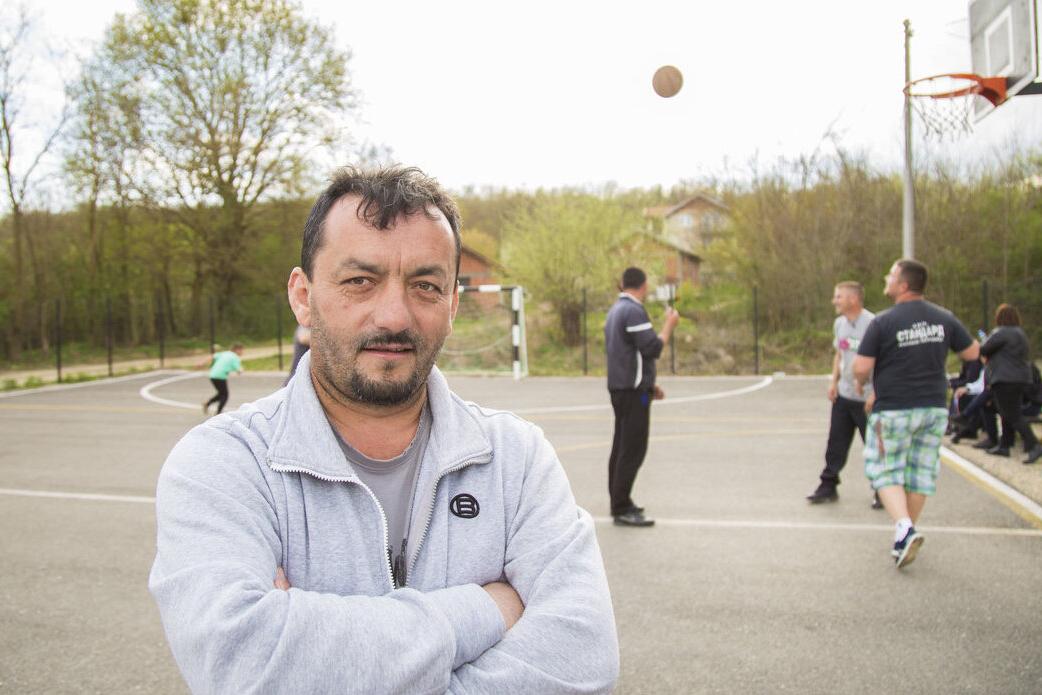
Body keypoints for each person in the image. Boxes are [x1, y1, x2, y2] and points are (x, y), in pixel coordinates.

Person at [150, 166, 619, 694]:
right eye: (360, 282)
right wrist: (487, 608)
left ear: (452, 305)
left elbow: (583, 661)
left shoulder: (517, 458)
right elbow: (242, 666)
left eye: (425, 286)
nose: (394, 316)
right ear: (302, 296)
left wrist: (307, 646)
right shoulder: (225, 463)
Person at [853, 259, 979, 569]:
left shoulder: (883, 322)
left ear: (903, 285)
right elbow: (972, 352)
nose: (886, 278)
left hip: (894, 408)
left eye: (891, 275)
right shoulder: (944, 318)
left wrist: (862, 381)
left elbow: (862, 367)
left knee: (885, 470)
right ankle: (904, 537)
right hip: (933, 407)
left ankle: (904, 528)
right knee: (920, 474)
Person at [604, 266, 680, 527]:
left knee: (621, 445)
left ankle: (619, 500)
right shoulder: (633, 310)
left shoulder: (616, 310)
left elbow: (629, 354)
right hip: (633, 392)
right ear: (643, 285)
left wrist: (650, 384)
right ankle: (621, 506)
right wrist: (669, 325)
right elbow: (652, 348)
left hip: (623, 388)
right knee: (633, 448)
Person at [806, 281, 880, 508]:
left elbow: (882, 361)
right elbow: (840, 354)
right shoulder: (840, 324)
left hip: (868, 398)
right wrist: (834, 382)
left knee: (874, 446)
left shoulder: (873, 324)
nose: (834, 301)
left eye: (839, 297)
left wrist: (876, 393)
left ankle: (881, 488)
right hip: (844, 395)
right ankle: (828, 485)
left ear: (853, 299)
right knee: (836, 442)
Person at [978, 303, 1042, 464]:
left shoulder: (1000, 332)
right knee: (1007, 411)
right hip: (1021, 379)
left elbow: (984, 349)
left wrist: (983, 340)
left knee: (1012, 414)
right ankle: (1005, 445)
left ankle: (1034, 444)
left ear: (999, 317)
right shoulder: (1021, 334)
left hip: (1004, 378)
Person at [202, 343, 244, 415]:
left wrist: (202, 363)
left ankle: (208, 403)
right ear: (237, 350)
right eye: (242, 350)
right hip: (220, 376)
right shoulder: (235, 357)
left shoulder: (225, 353)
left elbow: (212, 356)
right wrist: (241, 370)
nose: (242, 352)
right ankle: (218, 413)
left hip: (212, 375)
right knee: (225, 395)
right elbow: (239, 371)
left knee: (221, 393)